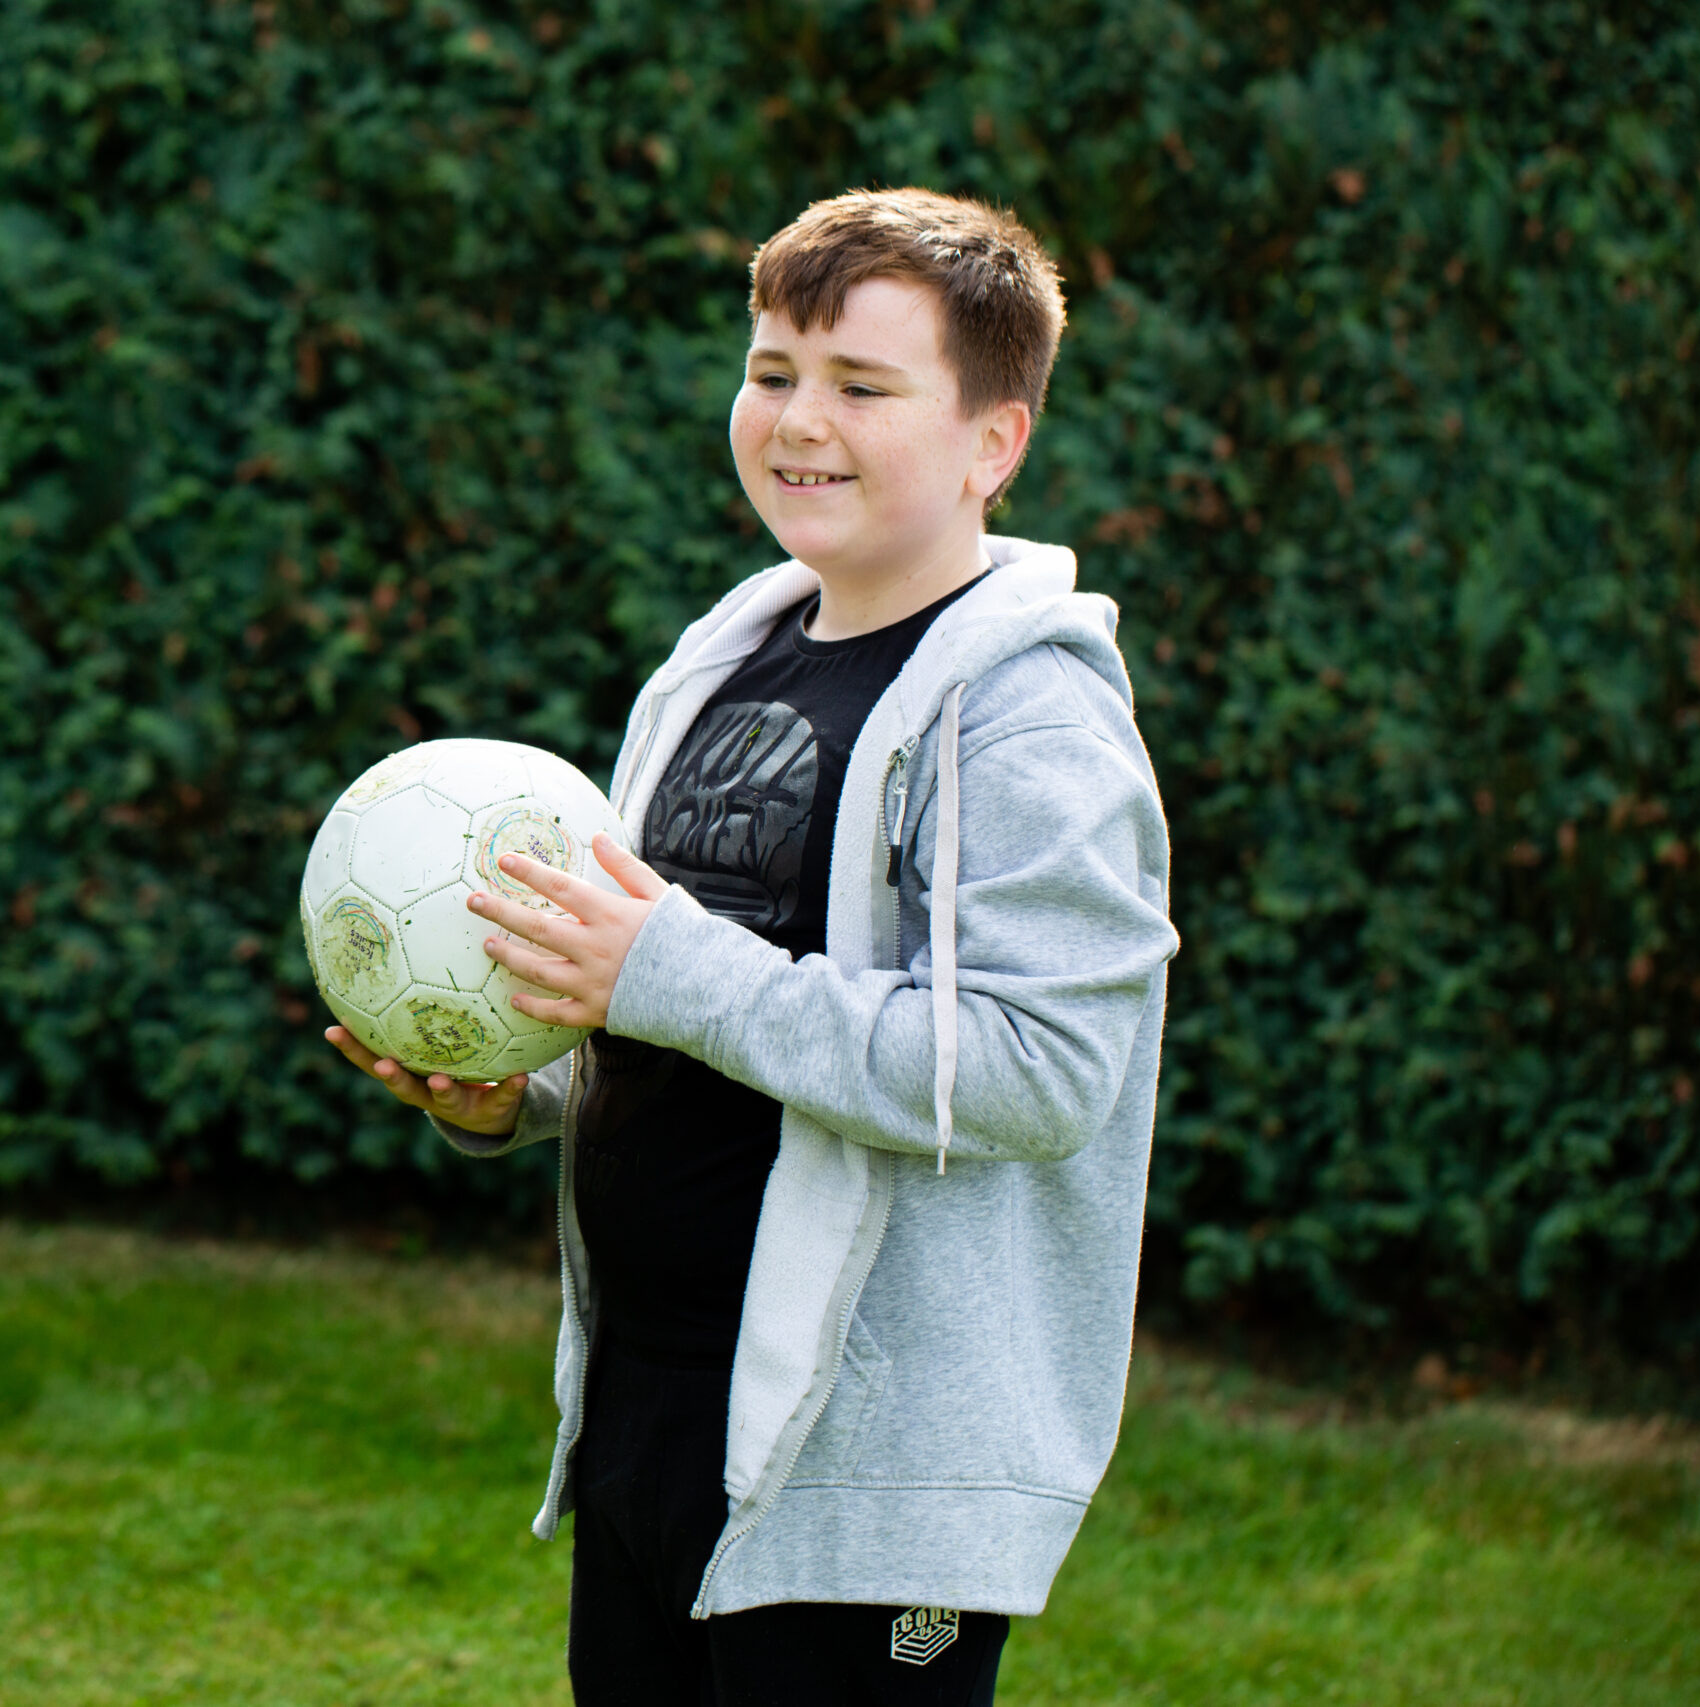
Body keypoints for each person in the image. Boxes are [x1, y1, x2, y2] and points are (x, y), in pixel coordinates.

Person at [325, 188, 1177, 1707]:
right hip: (660, 1418)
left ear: (996, 442)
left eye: (863, 385)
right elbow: (684, 1009)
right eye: (773, 369)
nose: (799, 418)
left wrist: (664, 971)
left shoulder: (1029, 716)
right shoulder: (731, 655)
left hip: (866, 1479)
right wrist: (511, 1091)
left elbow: (1047, 1071)